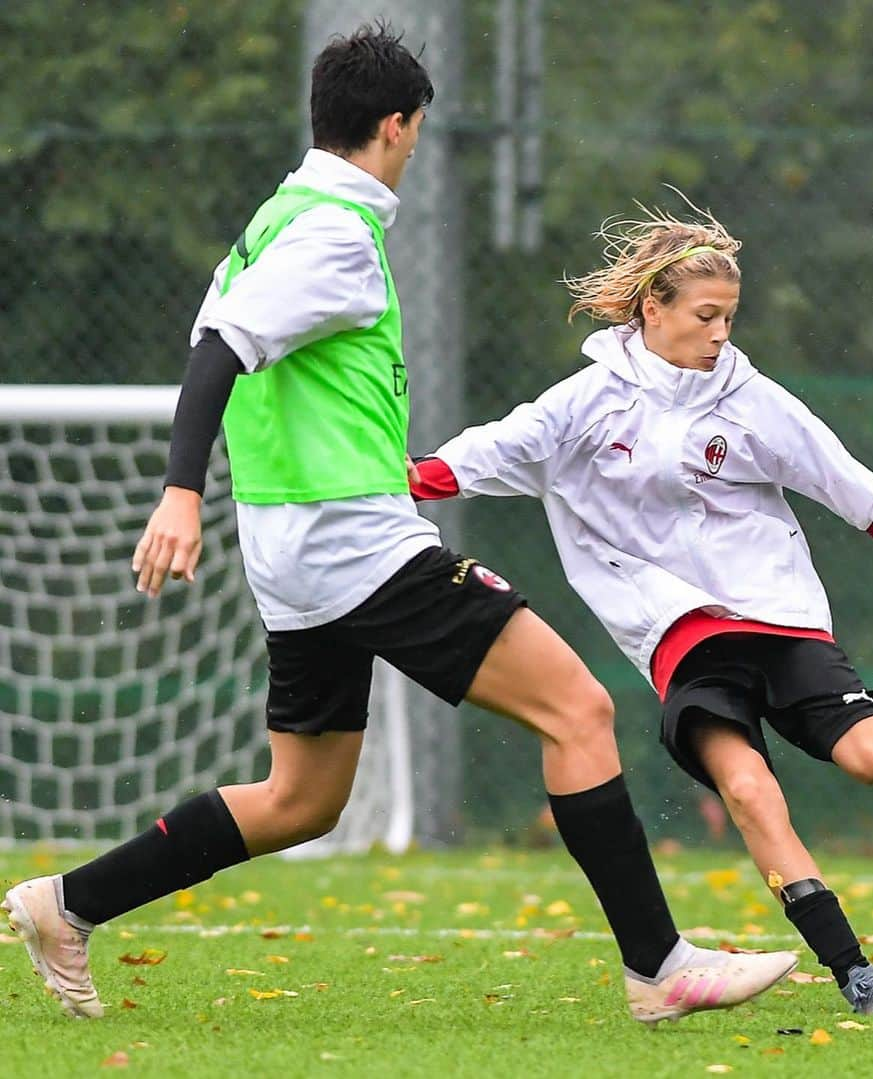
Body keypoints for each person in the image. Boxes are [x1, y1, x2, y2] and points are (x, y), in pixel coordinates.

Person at [1, 28, 796, 1027]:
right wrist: (178, 491)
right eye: (417, 130)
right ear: (396, 124)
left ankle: (66, 904)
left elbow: (211, 333)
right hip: (352, 542)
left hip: (294, 547)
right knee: (580, 710)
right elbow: (219, 356)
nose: (417, 147)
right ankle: (659, 964)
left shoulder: (280, 214)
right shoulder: (332, 231)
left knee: (304, 800)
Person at [407, 196, 873, 1016]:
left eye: (730, 316)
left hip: (780, 616)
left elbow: (848, 486)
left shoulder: (751, 399)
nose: (720, 333)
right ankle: (853, 972)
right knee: (748, 790)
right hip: (682, 639)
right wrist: (405, 479)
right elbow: (493, 447)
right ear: (651, 308)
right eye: (705, 315)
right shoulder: (588, 402)